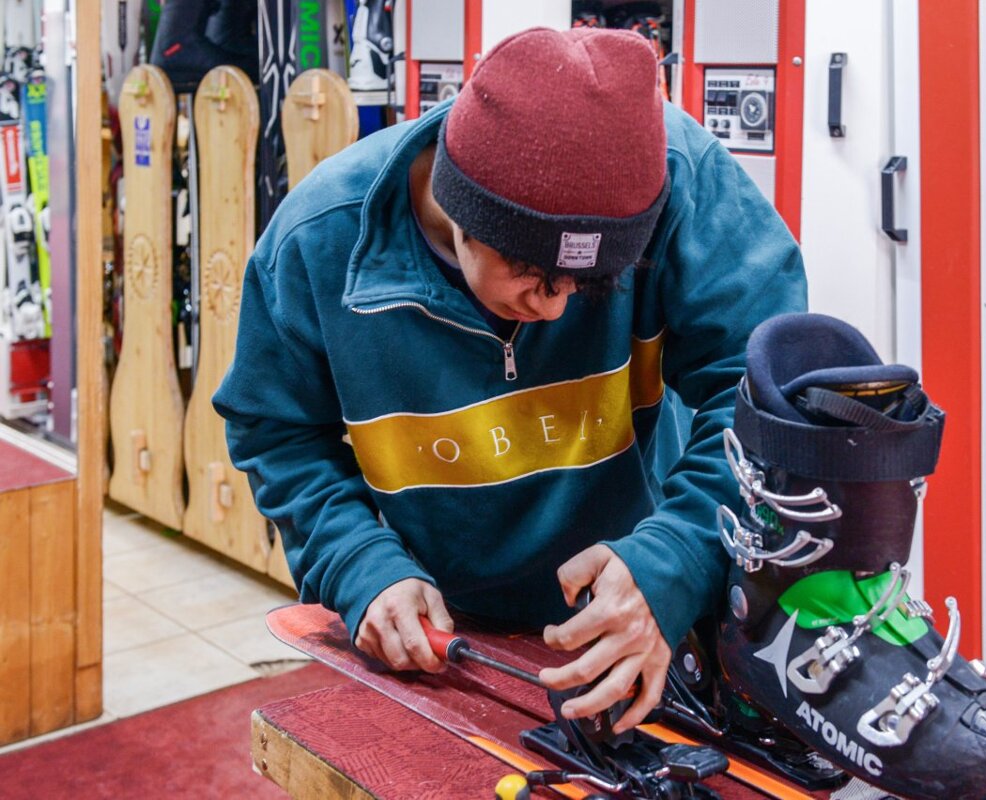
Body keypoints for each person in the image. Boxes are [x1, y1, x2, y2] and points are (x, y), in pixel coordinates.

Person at [213, 26, 806, 734]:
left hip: (654, 603)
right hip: (447, 636)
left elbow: (766, 391)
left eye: (590, 282)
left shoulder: (678, 179)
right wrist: (358, 563)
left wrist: (676, 558)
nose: (554, 304)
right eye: (530, 270)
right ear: (455, 203)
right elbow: (278, 433)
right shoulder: (318, 242)